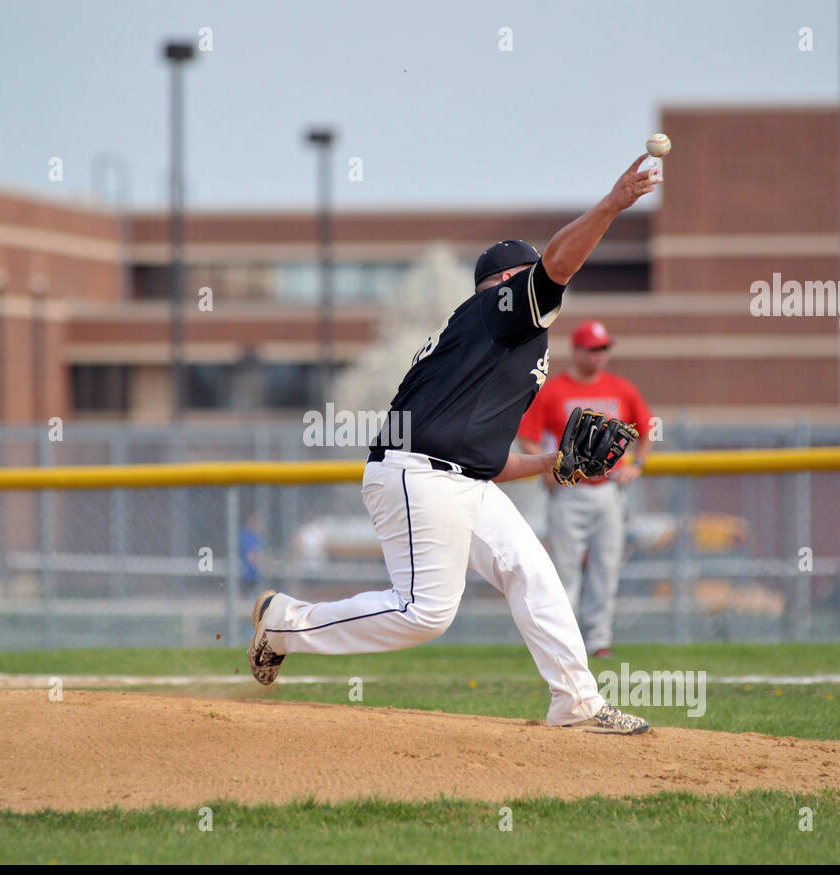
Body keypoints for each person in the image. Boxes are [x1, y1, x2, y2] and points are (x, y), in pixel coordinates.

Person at [245, 155, 659, 734]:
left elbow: (481, 458)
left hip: (454, 477)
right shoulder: (499, 311)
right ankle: (284, 622)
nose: (544, 283)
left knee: (530, 571)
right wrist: (612, 205)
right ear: (506, 283)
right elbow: (558, 265)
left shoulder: (495, 346)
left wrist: (550, 463)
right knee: (427, 614)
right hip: (418, 473)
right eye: (531, 275)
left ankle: (577, 703)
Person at [517, 320, 652, 658]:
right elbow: (528, 438)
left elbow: (646, 433)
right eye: (592, 349)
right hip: (568, 491)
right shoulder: (553, 390)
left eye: (604, 348)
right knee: (564, 571)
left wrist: (636, 466)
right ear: (575, 350)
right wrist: (547, 465)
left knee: (606, 569)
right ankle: (564, 642)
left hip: (608, 492)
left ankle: (598, 641)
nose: (599, 355)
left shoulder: (622, 388)